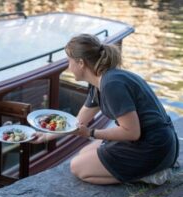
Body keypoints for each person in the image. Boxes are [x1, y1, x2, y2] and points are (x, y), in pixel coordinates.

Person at [32, 34, 179, 185]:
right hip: (152, 142)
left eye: (69, 61)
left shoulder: (111, 85)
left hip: (153, 147)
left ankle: (147, 175)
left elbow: (132, 132)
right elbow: (77, 122)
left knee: (77, 167)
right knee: (84, 153)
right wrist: (45, 136)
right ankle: (145, 169)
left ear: (81, 63)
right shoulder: (100, 82)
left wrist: (91, 133)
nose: (68, 67)